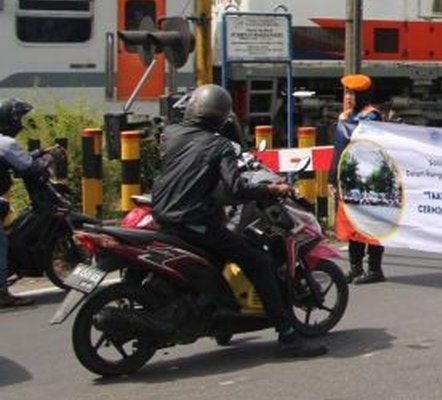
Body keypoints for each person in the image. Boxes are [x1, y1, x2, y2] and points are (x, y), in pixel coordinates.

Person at [150, 84, 326, 358]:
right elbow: (235, 189)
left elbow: (187, 167)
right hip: (193, 221)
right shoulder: (218, 144)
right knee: (259, 263)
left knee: (222, 252)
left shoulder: (171, 134)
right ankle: (288, 335)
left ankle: (220, 317)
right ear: (223, 116)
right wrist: (271, 189)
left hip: (162, 215)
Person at [1, 98, 65, 308]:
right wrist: (49, 158)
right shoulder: (6, 143)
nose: (21, 123)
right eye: (19, 118)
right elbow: (31, 168)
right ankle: (1, 293)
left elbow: (22, 159)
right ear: (10, 121)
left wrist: (42, 152)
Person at [331, 73, 387, 284]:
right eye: (346, 93)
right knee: (353, 223)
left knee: (371, 223)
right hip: (350, 176)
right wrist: (331, 178)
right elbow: (338, 149)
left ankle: (375, 269)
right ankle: (355, 267)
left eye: (351, 94)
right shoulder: (347, 116)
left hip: (369, 177)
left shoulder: (371, 116)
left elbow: (357, 135)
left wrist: (344, 121)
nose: (347, 97)